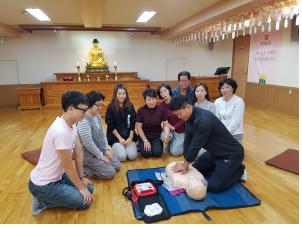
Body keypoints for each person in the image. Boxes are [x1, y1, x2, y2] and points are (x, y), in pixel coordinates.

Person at [28, 91, 94, 216]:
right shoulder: (61, 132)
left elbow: (78, 150)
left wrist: (82, 177)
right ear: (70, 109)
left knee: (90, 189)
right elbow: (68, 167)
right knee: (85, 201)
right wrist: (80, 188)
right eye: (83, 110)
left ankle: (61, 192)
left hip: (58, 176)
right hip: (44, 185)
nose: (85, 114)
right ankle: (42, 200)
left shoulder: (72, 123)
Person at [169, 95, 247, 193]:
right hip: (214, 153)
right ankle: (221, 168)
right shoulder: (188, 118)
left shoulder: (204, 119)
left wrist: (185, 164)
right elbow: (188, 141)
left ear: (188, 107)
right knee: (194, 171)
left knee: (214, 187)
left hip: (231, 154)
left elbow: (196, 144)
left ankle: (239, 170)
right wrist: (186, 161)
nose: (179, 117)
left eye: (179, 114)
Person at [77, 91, 121, 179]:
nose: (100, 108)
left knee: (117, 165)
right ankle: (84, 169)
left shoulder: (97, 116)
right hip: (89, 156)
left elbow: (103, 135)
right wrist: (101, 156)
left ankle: (98, 165)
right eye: (98, 105)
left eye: (102, 105)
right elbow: (88, 144)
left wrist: (106, 149)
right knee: (111, 173)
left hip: (100, 151)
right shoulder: (84, 121)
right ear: (90, 104)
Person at [105, 84, 137, 161]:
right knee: (122, 157)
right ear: (115, 94)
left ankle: (129, 146)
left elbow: (133, 122)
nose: (122, 96)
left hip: (128, 136)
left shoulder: (130, 105)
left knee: (132, 156)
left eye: (124, 93)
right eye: (119, 94)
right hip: (116, 137)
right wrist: (120, 139)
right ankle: (118, 147)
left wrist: (130, 137)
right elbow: (110, 125)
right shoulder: (111, 107)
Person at [136, 88, 169, 158]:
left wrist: (166, 133)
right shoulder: (140, 110)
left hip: (156, 135)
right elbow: (139, 128)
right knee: (146, 154)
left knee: (157, 153)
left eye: (153, 99)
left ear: (156, 99)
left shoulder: (161, 110)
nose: (151, 102)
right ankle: (140, 143)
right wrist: (145, 140)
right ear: (145, 100)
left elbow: (166, 125)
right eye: (148, 100)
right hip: (144, 135)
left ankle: (154, 145)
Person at [157, 83, 185, 156]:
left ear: (169, 90)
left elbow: (184, 117)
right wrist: (169, 128)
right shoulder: (161, 105)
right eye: (161, 92)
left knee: (175, 152)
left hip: (180, 130)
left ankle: (186, 143)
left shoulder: (178, 101)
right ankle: (173, 143)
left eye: (165, 91)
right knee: (164, 137)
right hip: (168, 128)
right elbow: (163, 120)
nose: (163, 93)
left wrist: (175, 127)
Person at [214, 78, 245, 143]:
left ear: (233, 88)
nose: (224, 90)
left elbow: (236, 121)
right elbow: (215, 118)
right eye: (222, 88)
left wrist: (225, 133)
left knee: (228, 151)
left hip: (235, 134)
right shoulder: (218, 101)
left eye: (227, 87)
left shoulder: (239, 101)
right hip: (220, 133)